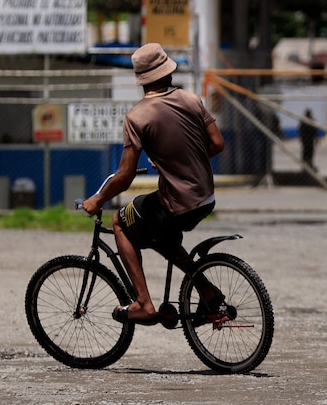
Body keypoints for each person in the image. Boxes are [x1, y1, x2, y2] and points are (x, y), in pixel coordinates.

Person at [82, 43, 225, 325]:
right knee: (161, 236)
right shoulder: (191, 99)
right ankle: (207, 291)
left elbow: (124, 175)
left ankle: (144, 304)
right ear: (167, 72)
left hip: (176, 203)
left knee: (121, 221)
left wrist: (97, 199)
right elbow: (217, 144)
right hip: (205, 198)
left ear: (142, 79)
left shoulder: (138, 116)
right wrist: (179, 162)